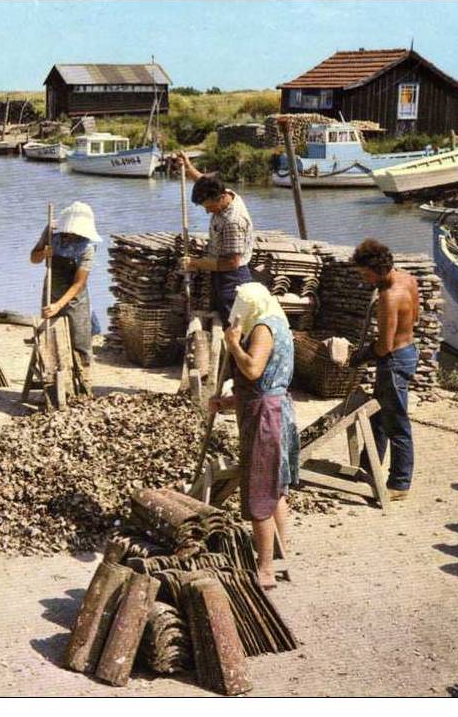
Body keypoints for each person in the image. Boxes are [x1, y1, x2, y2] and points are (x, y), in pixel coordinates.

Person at [210, 282, 298, 589]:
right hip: (273, 408)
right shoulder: (279, 321)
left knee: (260, 490)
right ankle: (279, 553)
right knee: (276, 487)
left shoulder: (263, 328)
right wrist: (228, 402)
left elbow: (253, 370)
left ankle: (265, 569)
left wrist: (233, 344)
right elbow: (267, 383)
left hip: (265, 418)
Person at [348, 239, 420, 500]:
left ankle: (400, 483)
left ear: (377, 269)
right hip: (408, 351)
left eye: (366, 275)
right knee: (378, 415)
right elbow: (416, 317)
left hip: (394, 361)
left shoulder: (388, 297)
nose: (365, 280)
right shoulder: (408, 279)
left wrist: (361, 356)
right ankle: (369, 469)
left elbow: (385, 346)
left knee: (397, 423)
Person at [174, 152, 254, 326]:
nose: (207, 211)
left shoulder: (233, 221)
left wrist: (195, 263)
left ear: (220, 198)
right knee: (219, 315)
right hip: (220, 273)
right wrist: (188, 168)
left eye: (210, 207)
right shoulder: (224, 192)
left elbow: (231, 263)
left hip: (233, 277)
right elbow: (205, 182)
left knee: (232, 322)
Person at [29, 201, 100, 374]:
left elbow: (79, 283)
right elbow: (33, 258)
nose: (70, 236)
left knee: (79, 341)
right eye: (68, 232)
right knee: (49, 337)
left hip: (75, 297)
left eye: (75, 233)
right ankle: (52, 380)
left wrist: (58, 306)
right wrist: (44, 253)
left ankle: (83, 380)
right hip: (52, 287)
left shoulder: (88, 247)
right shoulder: (51, 231)